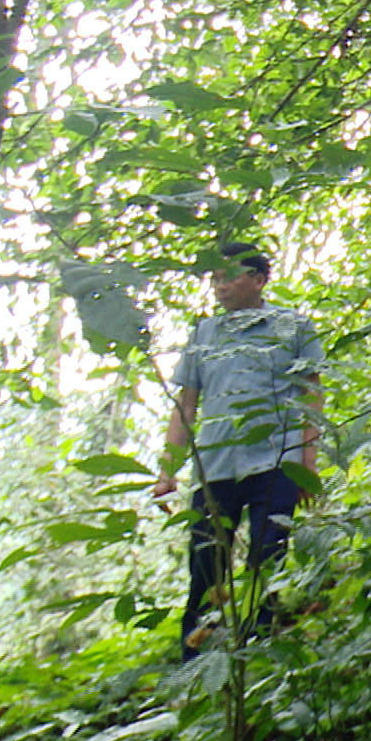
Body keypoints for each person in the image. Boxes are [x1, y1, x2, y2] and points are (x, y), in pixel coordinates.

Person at [153, 242, 324, 659]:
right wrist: (167, 472)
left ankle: (259, 652)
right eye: (215, 278)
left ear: (259, 280)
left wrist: (308, 464)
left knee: (268, 558)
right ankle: (196, 661)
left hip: (277, 461)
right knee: (206, 564)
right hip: (215, 465)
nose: (220, 286)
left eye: (229, 276)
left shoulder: (294, 327)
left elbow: (311, 395)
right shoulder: (203, 334)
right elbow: (186, 406)